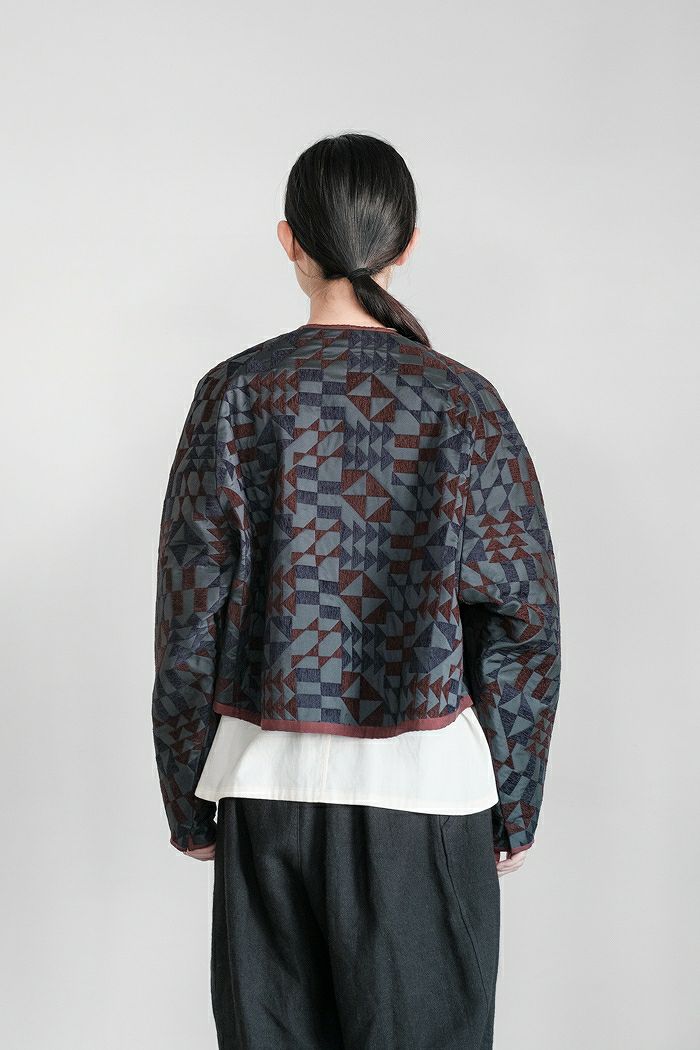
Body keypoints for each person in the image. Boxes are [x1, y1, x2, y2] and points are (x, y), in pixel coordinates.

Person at [151, 132, 561, 1050]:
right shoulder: (462, 402)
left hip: (266, 791)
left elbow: (189, 613)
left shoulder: (235, 394)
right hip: (427, 802)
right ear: (405, 245)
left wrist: (187, 792)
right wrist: (515, 800)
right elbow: (522, 619)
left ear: (289, 240)